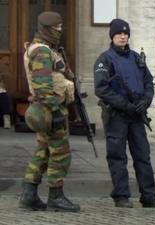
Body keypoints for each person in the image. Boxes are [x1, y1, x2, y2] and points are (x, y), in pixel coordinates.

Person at [94, 18, 155, 208]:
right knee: (118, 157)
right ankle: (121, 197)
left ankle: (148, 196)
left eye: (125, 33)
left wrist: (145, 101)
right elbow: (101, 89)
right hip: (117, 116)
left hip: (136, 116)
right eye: (119, 33)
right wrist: (124, 105)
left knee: (143, 156)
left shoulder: (136, 58)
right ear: (112, 36)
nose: (123, 36)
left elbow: (149, 83)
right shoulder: (105, 59)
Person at [20, 11, 79, 212]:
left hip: (46, 108)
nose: (60, 32)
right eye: (57, 28)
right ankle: (56, 196)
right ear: (46, 29)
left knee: (43, 151)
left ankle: (29, 195)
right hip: (49, 109)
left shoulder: (45, 49)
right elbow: (42, 86)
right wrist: (56, 112)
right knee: (61, 154)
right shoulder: (42, 51)